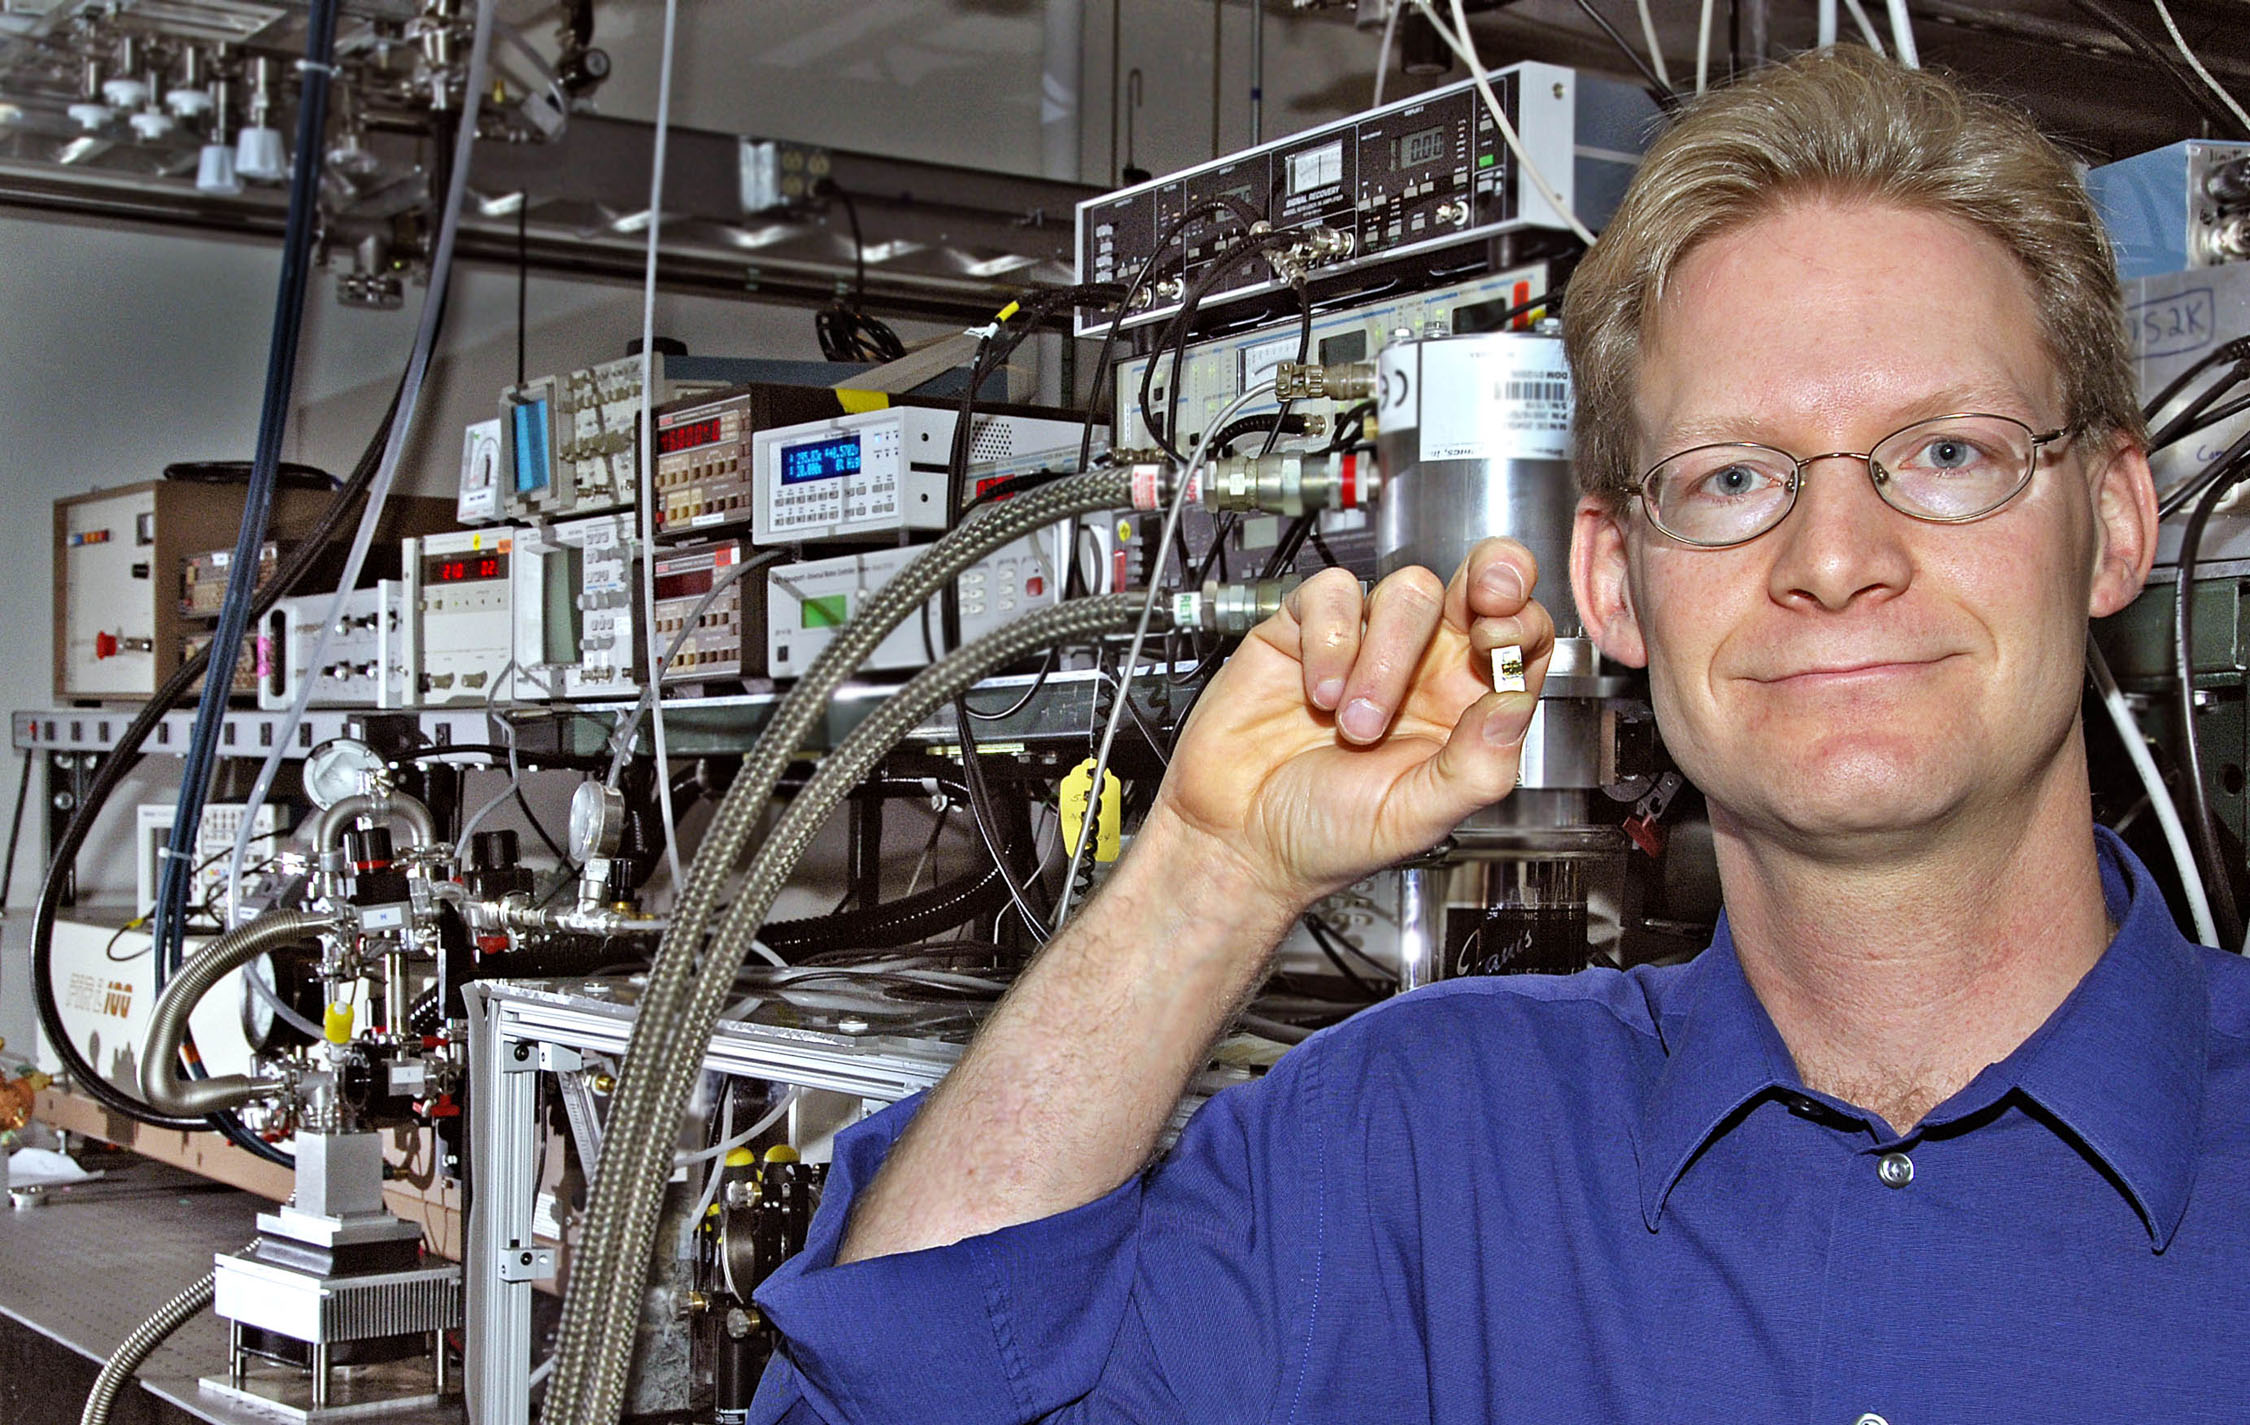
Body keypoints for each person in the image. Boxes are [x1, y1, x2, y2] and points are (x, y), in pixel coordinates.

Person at [750, 48, 2250, 1424]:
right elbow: (895, 1396)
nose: (1835, 554)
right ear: (1613, 580)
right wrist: (1203, 880)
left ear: (2114, 520)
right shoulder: (1407, 1151)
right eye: (1732, 477)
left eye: (1945, 453)